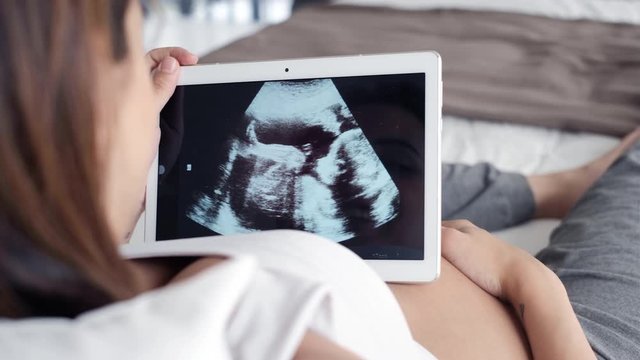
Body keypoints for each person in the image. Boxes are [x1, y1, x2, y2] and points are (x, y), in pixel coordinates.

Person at [0, 1, 639, 359]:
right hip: (569, 338)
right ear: (65, 131)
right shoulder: (207, 327)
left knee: (370, 159)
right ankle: (566, 187)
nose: (159, 86)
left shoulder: (71, 277)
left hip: (465, 273)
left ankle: (550, 189)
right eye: (131, 78)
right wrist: (532, 285)